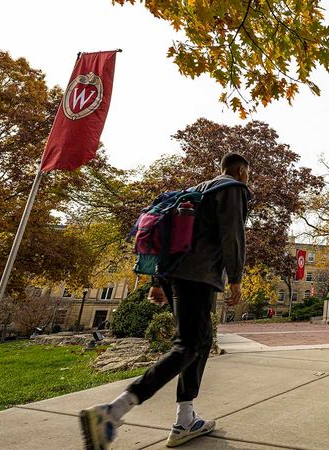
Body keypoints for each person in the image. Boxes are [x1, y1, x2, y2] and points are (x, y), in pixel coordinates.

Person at [80, 153, 252, 449]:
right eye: (248, 174)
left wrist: (158, 281)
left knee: (199, 342)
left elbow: (170, 235)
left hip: (175, 274)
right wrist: (235, 277)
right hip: (197, 276)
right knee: (189, 344)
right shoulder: (232, 188)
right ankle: (113, 411)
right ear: (240, 170)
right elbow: (232, 235)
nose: (248, 179)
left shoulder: (196, 190)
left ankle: (185, 418)